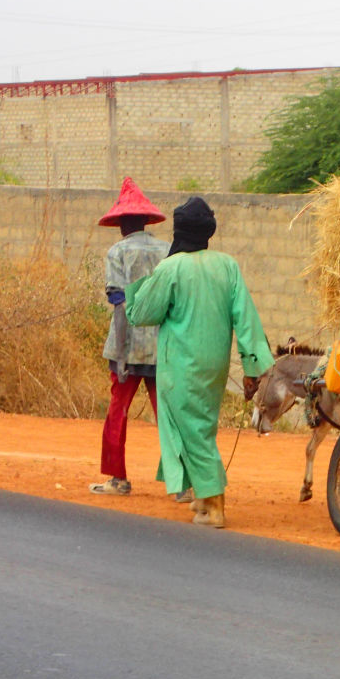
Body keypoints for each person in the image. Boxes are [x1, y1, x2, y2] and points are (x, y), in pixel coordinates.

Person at [125, 196, 273, 528]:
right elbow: (246, 319)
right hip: (215, 365)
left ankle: (216, 505)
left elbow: (142, 313)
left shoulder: (171, 267)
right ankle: (203, 500)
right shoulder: (227, 265)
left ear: (180, 231)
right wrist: (251, 369)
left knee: (191, 430)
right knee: (200, 426)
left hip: (180, 365)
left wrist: (136, 289)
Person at [89, 177, 172, 497]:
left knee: (117, 412)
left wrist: (122, 355)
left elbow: (119, 305)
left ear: (122, 223)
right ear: (145, 221)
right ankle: (179, 485)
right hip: (161, 346)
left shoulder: (118, 252)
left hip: (127, 345)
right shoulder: (167, 250)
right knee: (167, 415)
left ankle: (117, 478)